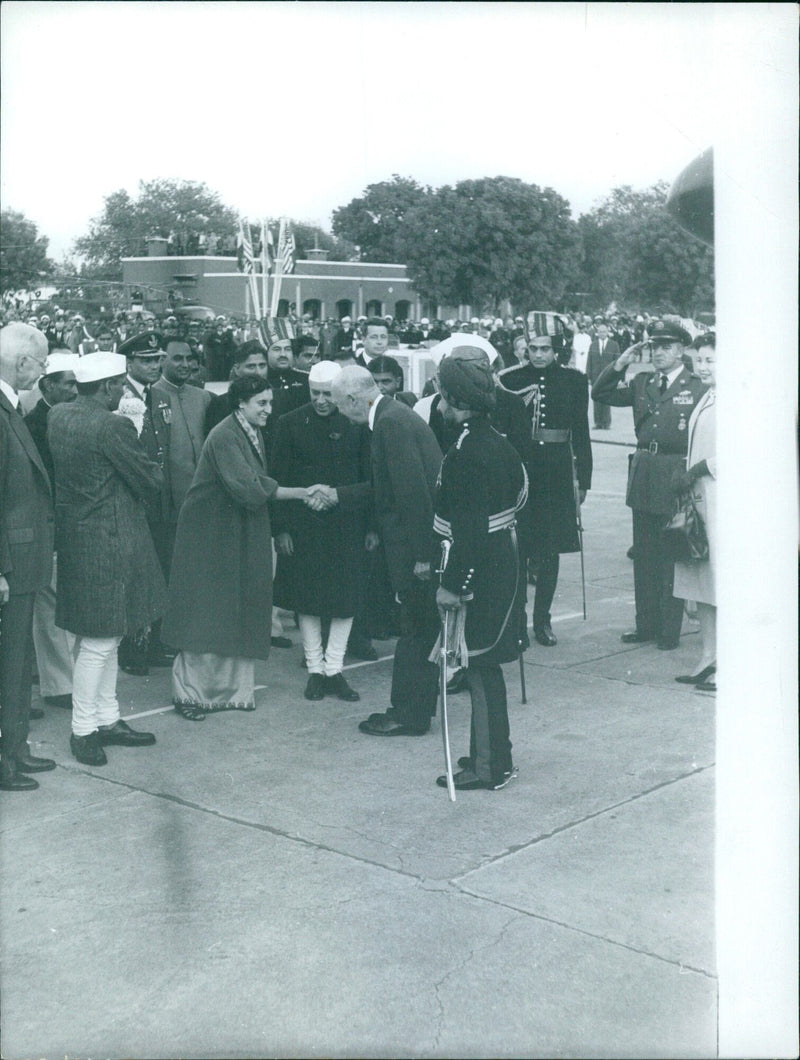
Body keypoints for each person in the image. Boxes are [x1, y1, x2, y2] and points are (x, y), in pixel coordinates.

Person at [161, 375, 320, 720]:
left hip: (232, 529)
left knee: (232, 608)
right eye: (261, 403)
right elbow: (249, 487)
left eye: (270, 402)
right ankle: (189, 694)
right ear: (240, 404)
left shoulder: (247, 429)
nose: (268, 409)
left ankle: (228, 692)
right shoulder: (225, 436)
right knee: (205, 612)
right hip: (209, 533)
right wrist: (303, 492)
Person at [47, 352, 163, 767]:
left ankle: (108, 718)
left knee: (104, 638)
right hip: (111, 542)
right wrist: (138, 428)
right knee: (99, 644)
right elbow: (149, 477)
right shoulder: (113, 425)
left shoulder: (58, 415)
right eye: (119, 386)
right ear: (110, 386)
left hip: (79, 539)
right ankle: (84, 730)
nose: (122, 391)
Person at [433, 354, 528, 790]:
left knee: (482, 667)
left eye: (442, 394)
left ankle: (491, 768)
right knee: (482, 666)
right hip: (500, 557)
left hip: (483, 565)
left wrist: (452, 585)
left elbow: (469, 528)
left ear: (453, 398)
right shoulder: (494, 440)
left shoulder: (470, 450)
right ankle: (491, 756)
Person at [332, 365, 442, 737]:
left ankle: (408, 714)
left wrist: (424, 556)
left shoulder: (391, 425)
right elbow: (389, 488)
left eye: (338, 405)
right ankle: (414, 711)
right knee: (419, 630)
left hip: (416, 551)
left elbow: (413, 495)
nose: (340, 414)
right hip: (415, 546)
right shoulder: (392, 417)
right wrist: (338, 495)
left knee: (415, 631)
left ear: (352, 399)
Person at [592, 319, 707, 649]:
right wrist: (619, 364)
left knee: (670, 555)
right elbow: (600, 393)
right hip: (643, 474)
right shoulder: (642, 382)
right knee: (644, 556)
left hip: (675, 475)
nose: (659, 353)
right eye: (654, 347)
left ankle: (669, 631)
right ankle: (646, 625)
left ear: (681, 350)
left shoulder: (696, 386)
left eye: (666, 347)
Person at [271, 361, 374, 702]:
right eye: (314, 393)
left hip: (347, 523)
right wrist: (281, 529)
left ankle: (335, 669)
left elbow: (369, 476)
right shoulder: (288, 424)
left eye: (327, 394)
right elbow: (278, 478)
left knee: (345, 601)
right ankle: (315, 669)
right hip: (303, 527)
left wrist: (370, 526)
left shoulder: (357, 424)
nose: (320, 401)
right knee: (308, 599)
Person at [498, 318, 592, 646]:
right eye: (532, 348)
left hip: (556, 473)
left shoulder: (574, 381)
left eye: (544, 349)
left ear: (557, 350)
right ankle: (518, 622)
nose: (537, 354)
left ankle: (542, 621)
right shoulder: (510, 379)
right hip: (522, 471)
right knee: (519, 549)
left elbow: (581, 432)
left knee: (550, 550)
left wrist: (585, 480)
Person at [0, 323, 56, 790]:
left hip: (21, 561)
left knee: (17, 663)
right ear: (22, 363)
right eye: (42, 362)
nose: (43, 370)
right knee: (7, 662)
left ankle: (16, 750)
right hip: (9, 565)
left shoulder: (12, 408)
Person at [24, 351, 79, 712]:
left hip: (71, 524)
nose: (75, 390)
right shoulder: (34, 426)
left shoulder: (66, 418)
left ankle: (63, 679)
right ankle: (60, 685)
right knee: (50, 607)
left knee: (62, 605)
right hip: (49, 527)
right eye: (68, 384)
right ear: (48, 385)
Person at [673, 333, 717, 691]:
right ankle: (708, 656)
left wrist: (699, 468)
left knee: (722, 583)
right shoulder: (708, 395)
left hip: (723, 502)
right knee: (702, 582)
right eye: (699, 360)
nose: (703, 366)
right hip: (700, 501)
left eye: (711, 360)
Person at [586, 323, 620, 429]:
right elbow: (589, 361)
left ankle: (606, 423)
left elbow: (618, 362)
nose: (602, 333)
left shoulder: (614, 345)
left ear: (607, 332)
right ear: (597, 333)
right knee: (596, 399)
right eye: (600, 331)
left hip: (609, 376)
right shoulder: (593, 345)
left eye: (604, 331)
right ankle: (598, 423)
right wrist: (588, 377)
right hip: (596, 377)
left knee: (606, 398)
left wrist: (618, 377)